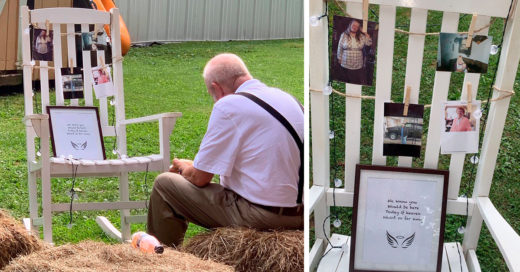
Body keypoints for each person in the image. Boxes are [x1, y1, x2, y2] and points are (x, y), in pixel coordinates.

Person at [147, 53, 304, 247]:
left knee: (165, 185)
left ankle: (161, 262)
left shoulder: (229, 105)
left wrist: (183, 168)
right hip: (300, 215)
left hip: (263, 217)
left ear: (216, 88)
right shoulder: (289, 99)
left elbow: (200, 178)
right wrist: (196, 167)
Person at [337, 19, 372, 84]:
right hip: (345, 62)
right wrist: (339, 58)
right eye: (353, 25)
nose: (355, 27)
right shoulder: (344, 35)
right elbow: (340, 47)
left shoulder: (361, 36)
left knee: (355, 80)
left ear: (359, 28)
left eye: (357, 26)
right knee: (345, 80)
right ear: (350, 25)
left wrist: (365, 33)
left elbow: (369, 43)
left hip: (357, 63)